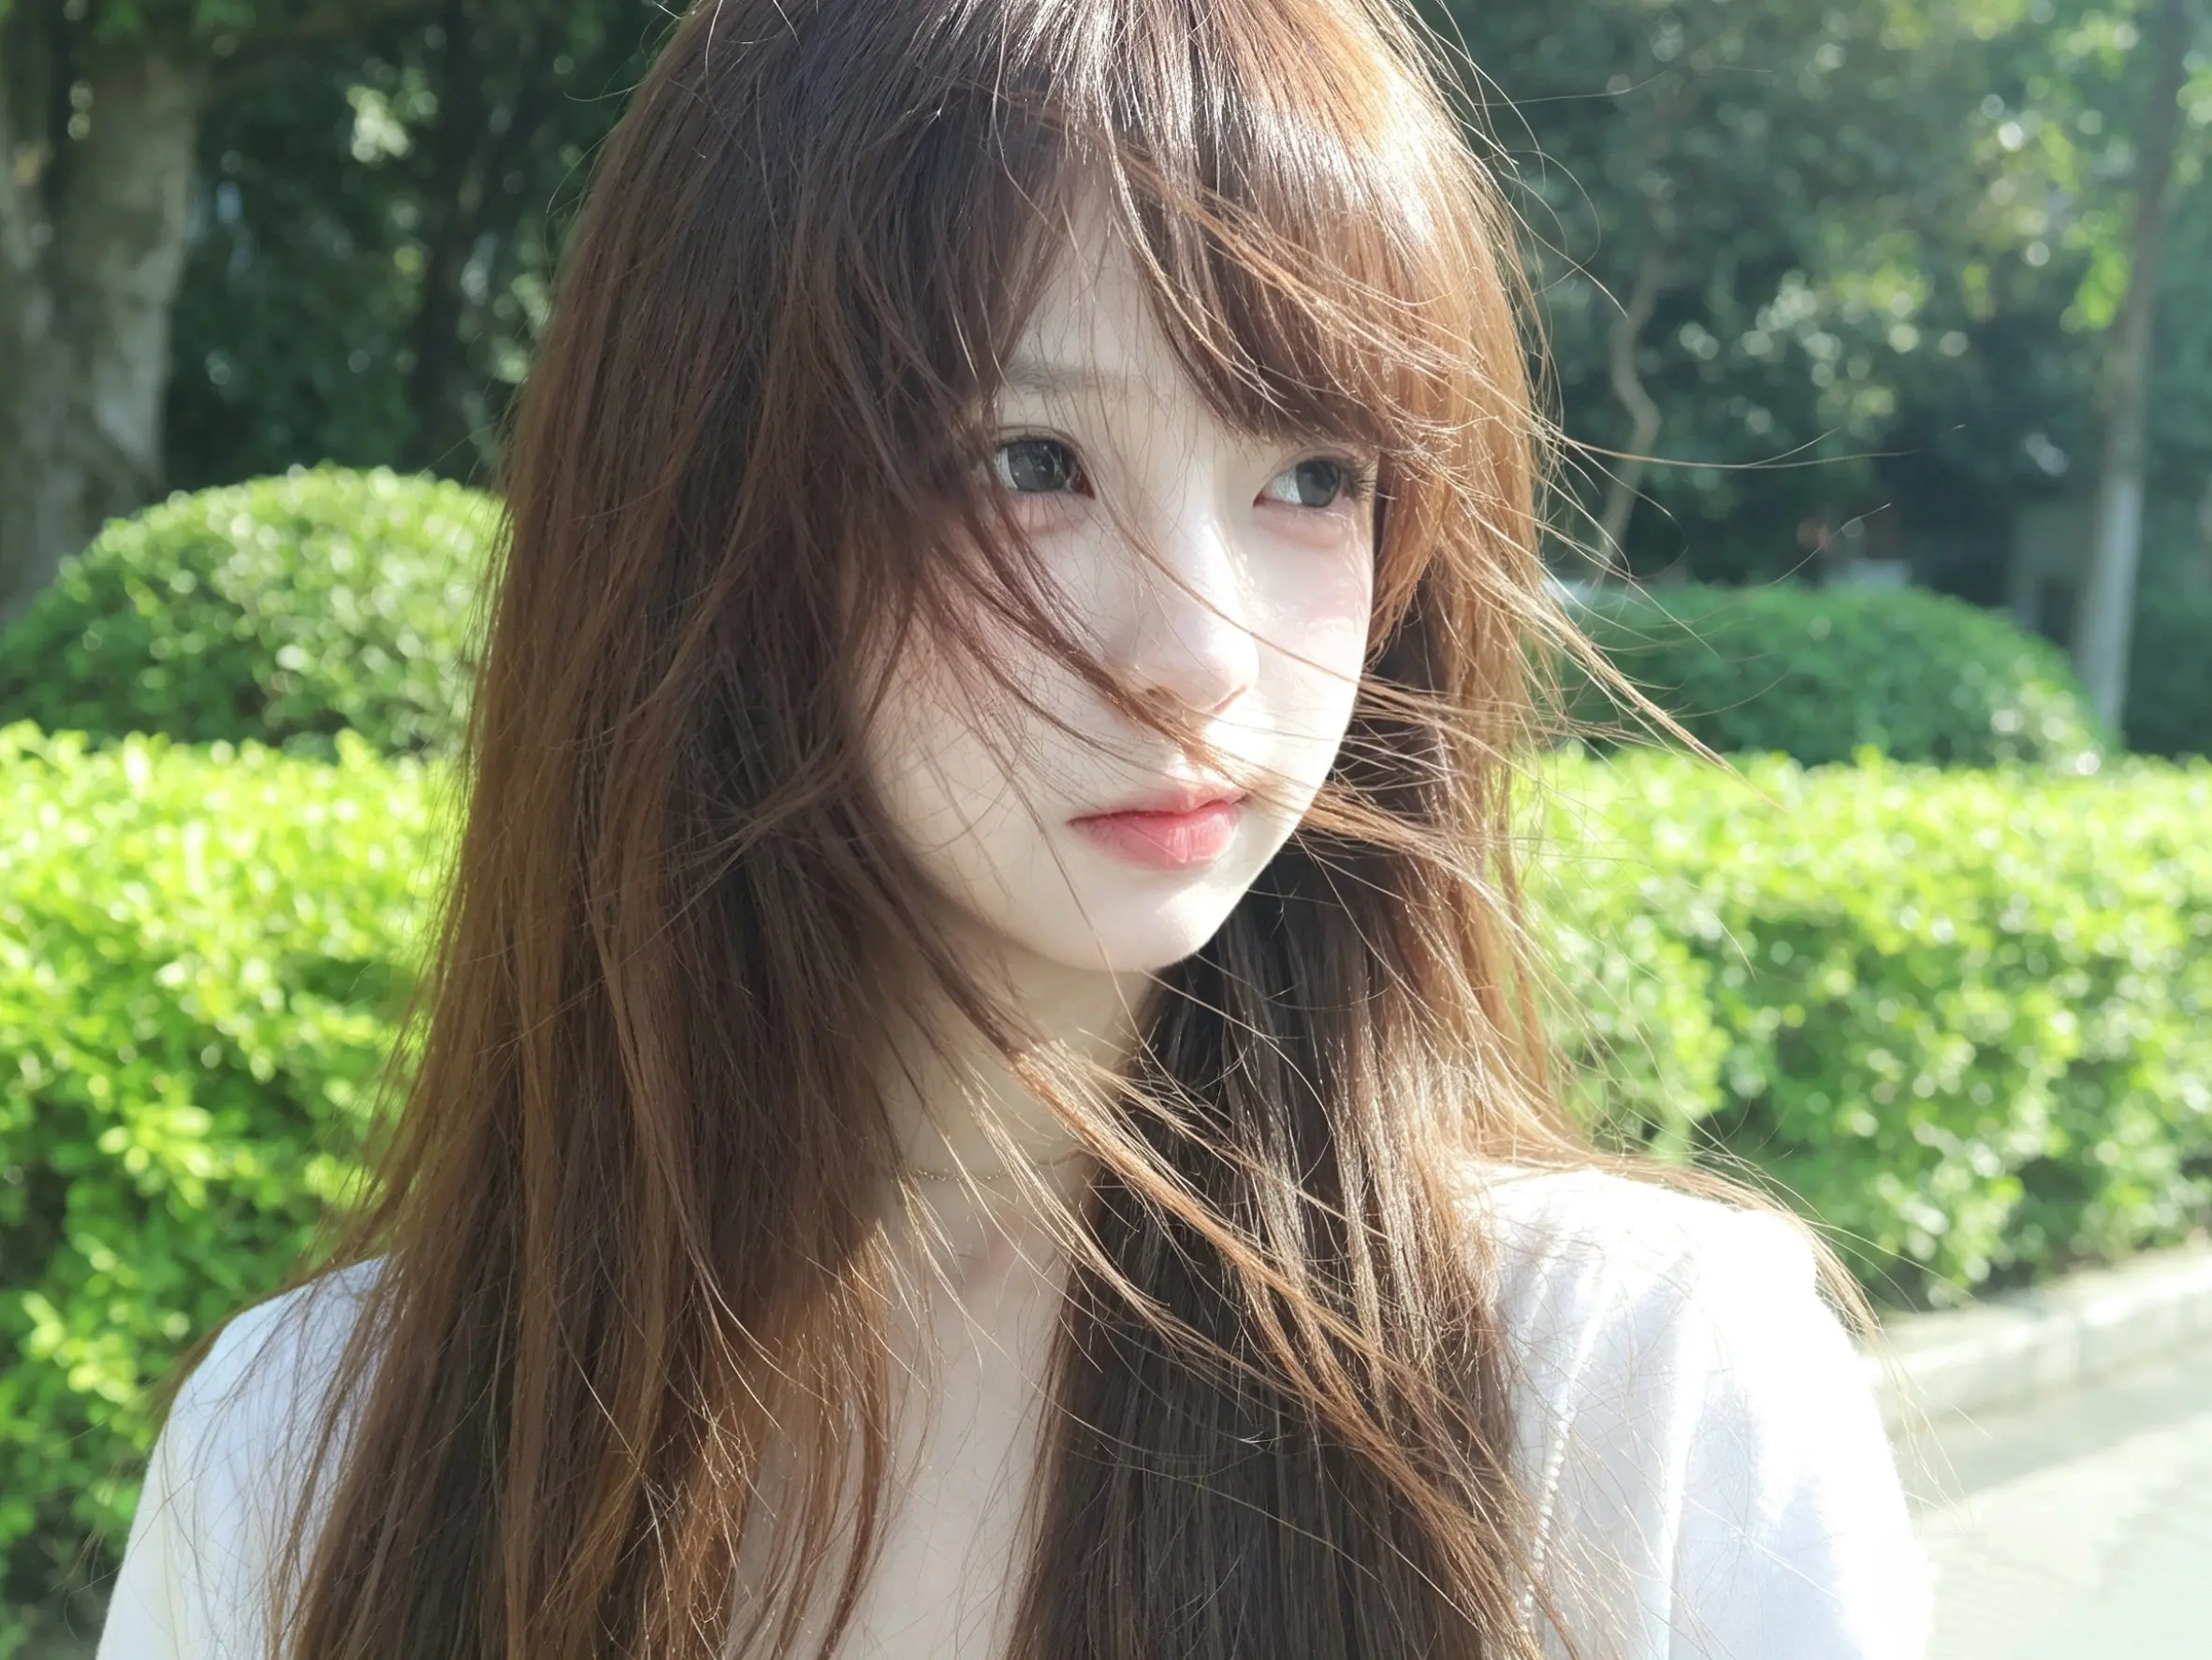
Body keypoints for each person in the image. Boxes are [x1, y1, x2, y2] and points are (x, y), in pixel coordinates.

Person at [95, 1, 1932, 1656]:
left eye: (1313, 475)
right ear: (701, 521)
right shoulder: (305, 1455)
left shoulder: (1632, 1396)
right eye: (1028, 463)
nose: (1198, 655)